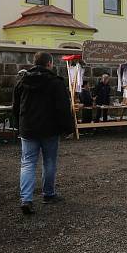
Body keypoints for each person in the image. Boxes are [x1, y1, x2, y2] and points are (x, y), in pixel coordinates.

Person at [13, 52, 74, 214]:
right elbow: (63, 108)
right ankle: (48, 194)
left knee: (27, 163)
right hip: (49, 129)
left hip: (28, 128)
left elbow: (16, 106)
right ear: (49, 64)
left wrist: (19, 125)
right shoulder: (55, 83)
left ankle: (26, 198)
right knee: (49, 161)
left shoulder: (22, 81)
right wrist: (68, 128)